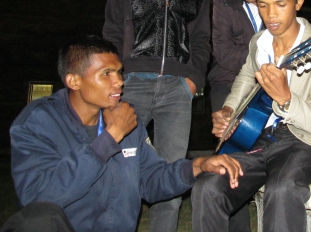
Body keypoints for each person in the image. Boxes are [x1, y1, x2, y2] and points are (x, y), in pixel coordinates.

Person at [9, 35, 242, 232]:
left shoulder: (126, 118)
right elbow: (38, 200)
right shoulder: (39, 123)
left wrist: (198, 166)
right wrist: (109, 138)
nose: (119, 81)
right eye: (106, 74)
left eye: (119, 72)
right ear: (74, 81)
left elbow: (150, 180)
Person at [192, 0, 311, 232]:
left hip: (305, 140)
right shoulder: (259, 42)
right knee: (208, 186)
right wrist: (229, 109)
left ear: (298, 2)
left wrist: (286, 99)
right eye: (263, 5)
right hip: (257, 139)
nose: (271, 15)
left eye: (280, 4)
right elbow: (244, 76)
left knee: (282, 187)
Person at [102, 0, 211, 232]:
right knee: (120, 171)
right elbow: (111, 29)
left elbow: (202, 39)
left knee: (171, 175)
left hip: (177, 92)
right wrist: (114, 78)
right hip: (132, 84)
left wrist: (193, 81)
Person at [207, 0, 269, 113]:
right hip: (227, 82)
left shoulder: (276, 5)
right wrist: (267, 55)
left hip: (268, 85)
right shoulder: (223, 2)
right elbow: (223, 54)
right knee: (227, 133)